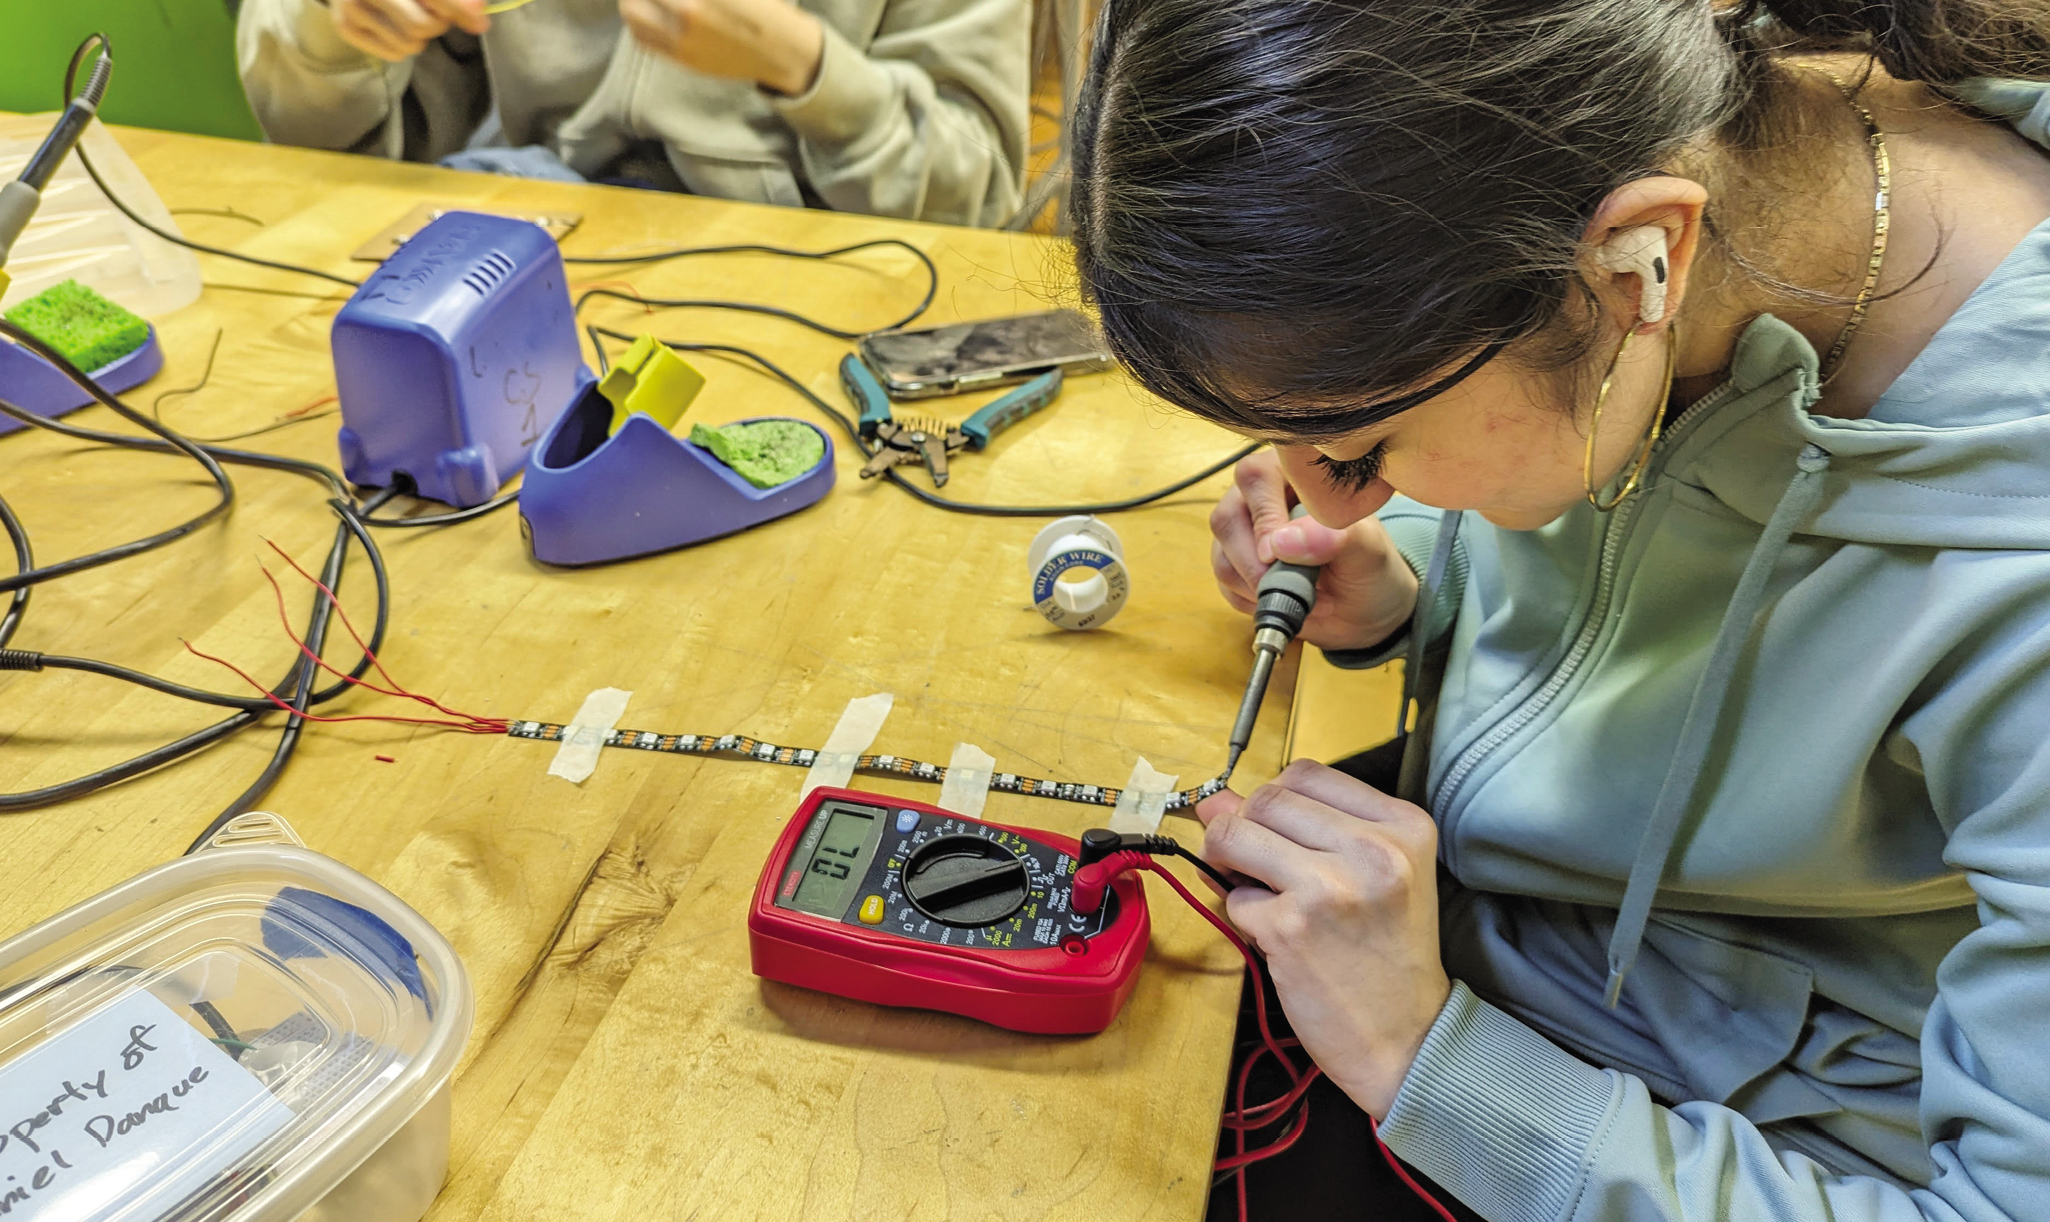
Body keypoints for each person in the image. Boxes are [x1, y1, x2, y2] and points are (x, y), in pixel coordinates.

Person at [1070, 0, 2050, 1219]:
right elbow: (1630, 525)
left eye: (1365, 441)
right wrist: (1418, 577)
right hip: (1492, 941)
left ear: (1638, 261)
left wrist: (1435, 1063)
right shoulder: (1711, 137)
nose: (1310, 496)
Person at [235, 0, 1027, 226]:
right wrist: (328, 28)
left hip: (827, 277)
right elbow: (327, 154)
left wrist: (800, 65)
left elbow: (976, 194)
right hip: (534, 239)